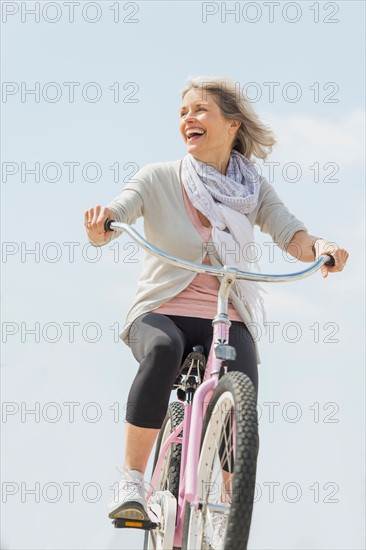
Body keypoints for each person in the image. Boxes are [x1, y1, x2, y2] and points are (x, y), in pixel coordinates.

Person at [84, 76, 349, 537]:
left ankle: (228, 512)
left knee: (241, 387)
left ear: (232, 124)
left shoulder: (252, 188)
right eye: (183, 112)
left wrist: (322, 246)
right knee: (165, 349)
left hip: (229, 313)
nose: (188, 118)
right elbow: (120, 210)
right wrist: (102, 224)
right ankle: (131, 482)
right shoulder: (159, 177)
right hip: (162, 310)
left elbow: (291, 234)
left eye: (200, 110)